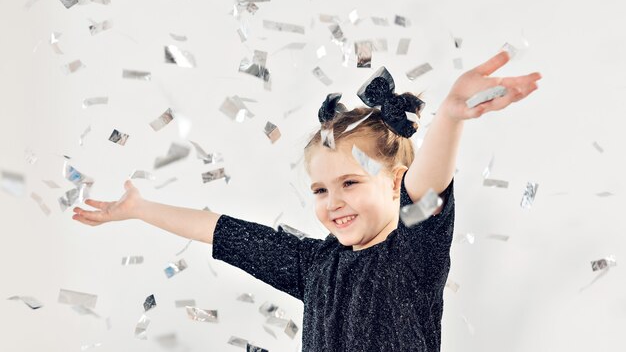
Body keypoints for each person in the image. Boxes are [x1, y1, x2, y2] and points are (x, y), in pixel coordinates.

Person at [72, 51, 541, 351]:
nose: (333, 201)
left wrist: (453, 118)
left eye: (351, 183)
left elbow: (429, 189)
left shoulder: (413, 254)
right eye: (321, 189)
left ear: (394, 183)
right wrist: (139, 208)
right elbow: (221, 230)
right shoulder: (316, 265)